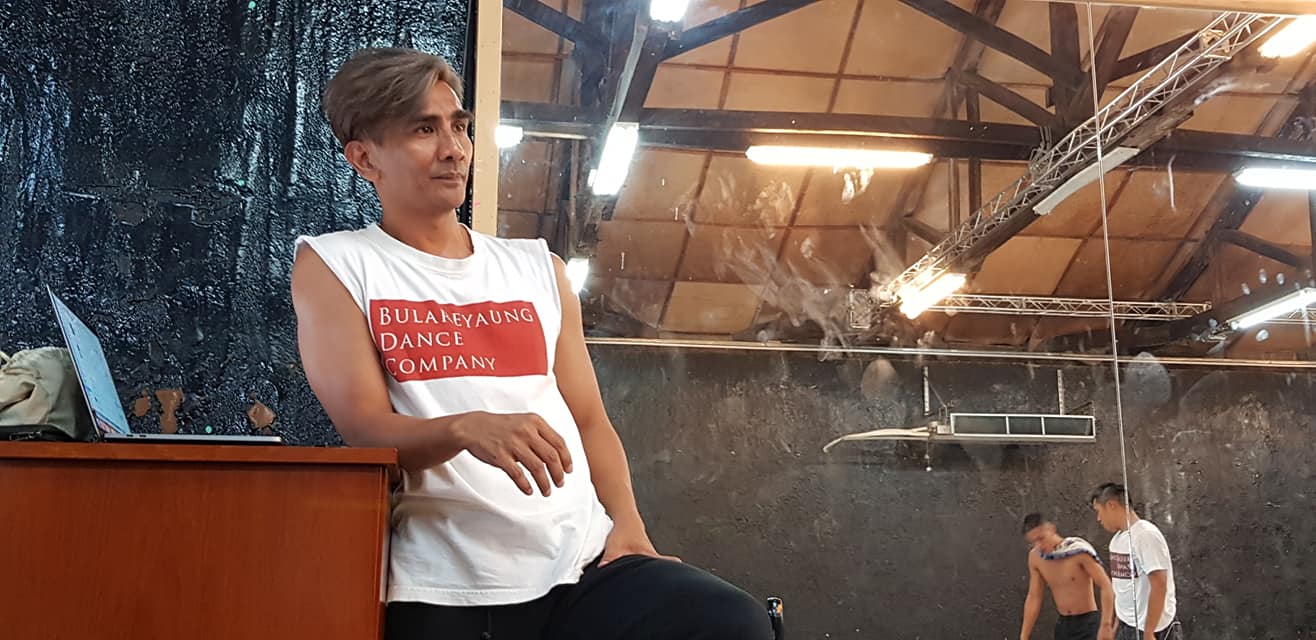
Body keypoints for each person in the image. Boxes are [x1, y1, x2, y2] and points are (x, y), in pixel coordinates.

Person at [291, 47, 773, 640]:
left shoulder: (538, 267)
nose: (454, 148)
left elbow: (589, 418)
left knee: (732, 621)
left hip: (582, 561)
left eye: (459, 126)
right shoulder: (337, 263)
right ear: (365, 158)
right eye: (424, 130)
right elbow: (365, 430)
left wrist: (628, 525)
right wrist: (465, 428)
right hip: (448, 582)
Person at [1090, 483, 1180, 640]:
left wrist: (1149, 632)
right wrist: (1117, 626)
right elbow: (1123, 589)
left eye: (1099, 511)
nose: (1099, 519)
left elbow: (1159, 583)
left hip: (1153, 629)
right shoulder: (1117, 541)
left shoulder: (1145, 535)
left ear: (1111, 505)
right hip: (1127, 627)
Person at [1018, 512, 1116, 640]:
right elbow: (1034, 597)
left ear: (1051, 529)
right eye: (1033, 542)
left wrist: (1106, 624)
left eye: (1041, 538)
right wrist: (1024, 635)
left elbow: (1105, 585)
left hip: (1088, 624)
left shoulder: (1078, 552)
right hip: (1064, 625)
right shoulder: (1036, 558)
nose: (1039, 545)